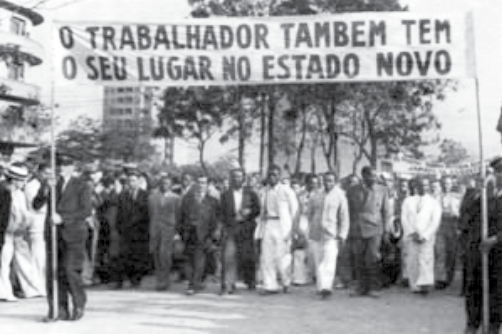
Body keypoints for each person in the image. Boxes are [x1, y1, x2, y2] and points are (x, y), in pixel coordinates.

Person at [33, 155, 92, 321]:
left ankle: (79, 303)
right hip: (53, 234)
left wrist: (64, 218)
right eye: (59, 165)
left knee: (70, 270)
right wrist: (45, 190)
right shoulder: (50, 183)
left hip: (74, 234)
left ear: (73, 167)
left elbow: (86, 210)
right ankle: (58, 308)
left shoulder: (81, 185)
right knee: (54, 272)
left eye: (66, 165)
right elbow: (36, 204)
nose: (62, 168)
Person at [462, 157, 502, 334]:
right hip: (477, 249)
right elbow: (465, 215)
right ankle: (472, 323)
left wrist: (496, 239)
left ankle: (493, 325)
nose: (496, 176)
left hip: (498, 250)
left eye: (499, 173)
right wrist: (480, 193)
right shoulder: (478, 194)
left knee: (497, 289)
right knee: (474, 286)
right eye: (494, 172)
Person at [346, 166, 391, 298]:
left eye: (375, 175)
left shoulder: (382, 190)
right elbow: (348, 211)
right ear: (364, 176)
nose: (374, 178)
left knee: (373, 257)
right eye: (371, 175)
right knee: (358, 258)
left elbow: (386, 211)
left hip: (375, 228)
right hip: (357, 228)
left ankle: (374, 287)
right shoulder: (353, 190)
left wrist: (386, 230)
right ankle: (361, 287)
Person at [0, 163, 41, 302]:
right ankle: (3, 292)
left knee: (22, 259)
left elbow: (23, 213)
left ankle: (32, 289)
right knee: (3, 263)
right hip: (5, 232)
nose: (24, 182)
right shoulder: (3, 191)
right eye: (21, 180)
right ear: (14, 179)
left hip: (17, 232)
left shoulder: (19, 193)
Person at [306, 171, 349, 299]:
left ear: (335, 182)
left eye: (330, 180)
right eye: (325, 180)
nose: (327, 183)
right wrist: (311, 228)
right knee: (318, 261)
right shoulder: (315, 195)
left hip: (331, 234)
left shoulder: (340, 196)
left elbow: (344, 217)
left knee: (329, 261)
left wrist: (342, 234)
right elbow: (310, 214)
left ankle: (326, 287)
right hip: (316, 232)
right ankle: (321, 286)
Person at [220, 168, 261, 294]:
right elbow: (221, 213)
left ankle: (250, 281)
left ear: (243, 178)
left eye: (239, 176)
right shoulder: (225, 195)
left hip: (247, 228)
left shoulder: (251, 193)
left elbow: (258, 209)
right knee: (229, 256)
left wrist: (249, 212)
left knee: (248, 256)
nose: (237, 179)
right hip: (232, 228)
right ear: (231, 178)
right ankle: (228, 285)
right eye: (234, 177)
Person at [178, 174, 220, 295]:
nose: (201, 185)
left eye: (204, 183)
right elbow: (180, 217)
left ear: (207, 185)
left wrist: (214, 235)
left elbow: (216, 219)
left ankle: (193, 285)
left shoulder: (213, 201)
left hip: (204, 235)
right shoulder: (187, 200)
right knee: (189, 261)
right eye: (199, 183)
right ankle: (195, 282)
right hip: (189, 234)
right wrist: (180, 232)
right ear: (195, 184)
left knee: (199, 260)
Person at [259, 165, 298, 295]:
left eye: (275, 175)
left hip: (283, 226)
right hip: (269, 223)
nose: (272, 177)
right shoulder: (264, 191)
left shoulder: (287, 191)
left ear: (280, 176)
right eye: (270, 175)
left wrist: (294, 230)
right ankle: (270, 285)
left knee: (283, 256)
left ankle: (286, 282)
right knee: (267, 256)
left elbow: (295, 211)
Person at [401, 177, 441, 295]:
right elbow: (404, 218)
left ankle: (425, 285)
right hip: (411, 235)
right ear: (416, 187)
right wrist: (412, 232)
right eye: (421, 185)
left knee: (426, 260)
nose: (424, 188)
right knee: (412, 260)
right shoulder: (408, 201)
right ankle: (414, 285)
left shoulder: (434, 202)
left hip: (426, 237)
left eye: (426, 185)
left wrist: (425, 235)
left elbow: (435, 221)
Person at [111, 170, 150, 289]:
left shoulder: (145, 195)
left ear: (138, 182)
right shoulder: (123, 195)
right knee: (122, 256)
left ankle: (135, 279)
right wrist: (118, 228)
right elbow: (118, 213)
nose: (131, 183)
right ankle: (119, 281)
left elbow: (148, 214)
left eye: (133, 180)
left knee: (137, 256)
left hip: (140, 231)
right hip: (125, 231)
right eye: (129, 181)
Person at [148, 175, 181, 291]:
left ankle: (165, 280)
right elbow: (149, 214)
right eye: (162, 183)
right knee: (156, 254)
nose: (164, 185)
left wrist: (177, 231)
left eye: (167, 183)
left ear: (171, 185)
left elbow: (178, 216)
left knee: (165, 255)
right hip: (155, 229)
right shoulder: (152, 197)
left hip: (169, 230)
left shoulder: (176, 198)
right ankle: (159, 279)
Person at [24, 163, 51, 296]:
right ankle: (35, 287)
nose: (47, 177)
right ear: (39, 173)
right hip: (36, 224)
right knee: (37, 257)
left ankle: (44, 285)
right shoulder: (31, 186)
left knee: (45, 258)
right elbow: (36, 207)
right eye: (45, 173)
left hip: (48, 223)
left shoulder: (50, 186)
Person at [434, 176, 461, 290]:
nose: (446, 185)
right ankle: (441, 279)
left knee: (451, 253)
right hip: (440, 225)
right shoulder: (437, 196)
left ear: (452, 184)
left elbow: (460, 212)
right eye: (444, 183)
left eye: (448, 183)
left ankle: (449, 277)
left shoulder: (457, 197)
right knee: (440, 253)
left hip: (453, 225)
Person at [294, 174, 319, 285]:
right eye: (311, 183)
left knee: (315, 251)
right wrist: (296, 227)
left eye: (315, 183)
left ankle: (316, 275)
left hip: (316, 222)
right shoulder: (299, 194)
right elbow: (296, 210)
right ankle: (299, 277)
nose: (313, 185)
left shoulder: (321, 195)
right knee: (299, 250)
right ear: (306, 183)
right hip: (302, 220)